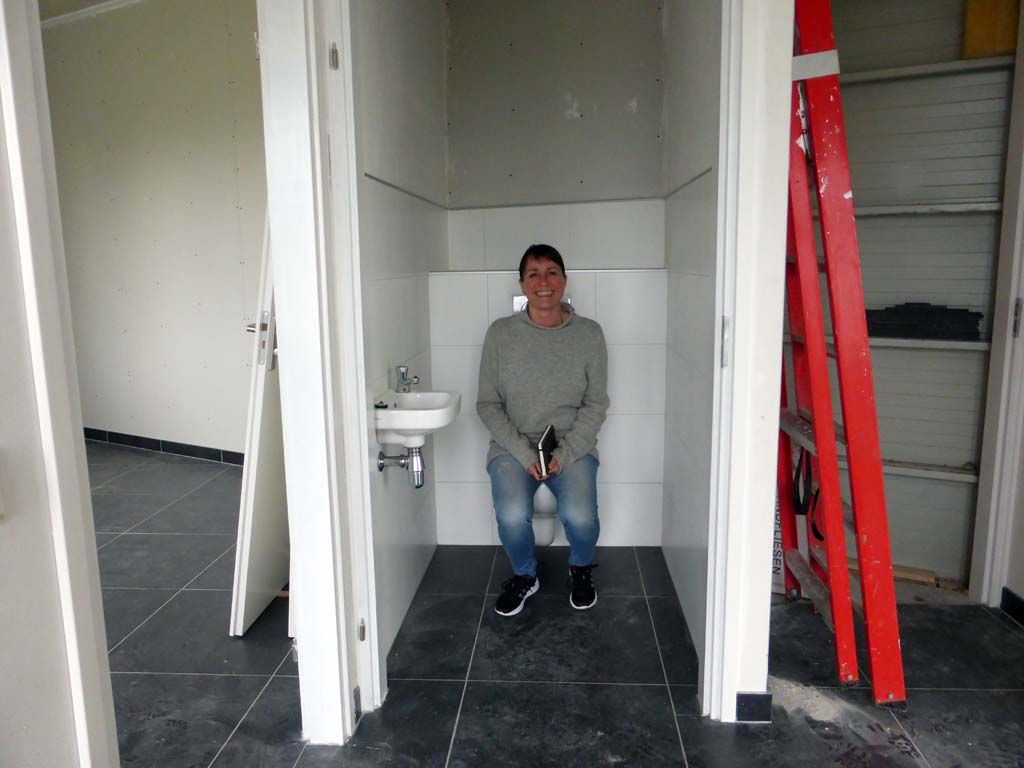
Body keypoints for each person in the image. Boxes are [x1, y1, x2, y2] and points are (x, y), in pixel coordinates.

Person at [476, 244, 610, 617]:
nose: (543, 282)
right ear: (522, 283)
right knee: (511, 514)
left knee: (580, 518)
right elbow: (487, 404)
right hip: (513, 448)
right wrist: (524, 454)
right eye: (533, 274)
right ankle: (525, 575)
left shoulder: (589, 334)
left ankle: (580, 569)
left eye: (551, 272)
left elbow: (596, 404)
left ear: (565, 280)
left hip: (571, 448)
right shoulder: (500, 334)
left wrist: (563, 455)